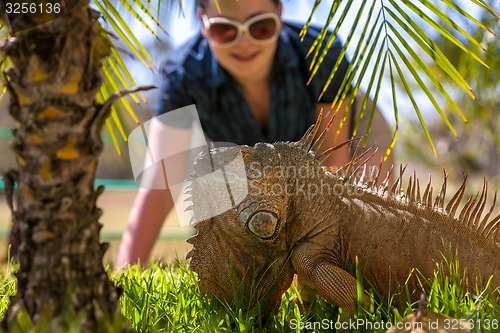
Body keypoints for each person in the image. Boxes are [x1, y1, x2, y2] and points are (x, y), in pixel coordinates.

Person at [115, 0, 394, 268]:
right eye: (225, 29)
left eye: (260, 26)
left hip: (352, 136)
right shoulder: (181, 74)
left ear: (279, 15)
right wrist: (126, 274)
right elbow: (161, 184)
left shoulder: (322, 51)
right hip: (248, 162)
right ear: (203, 23)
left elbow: (333, 165)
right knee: (226, 243)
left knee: (366, 222)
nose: (244, 42)